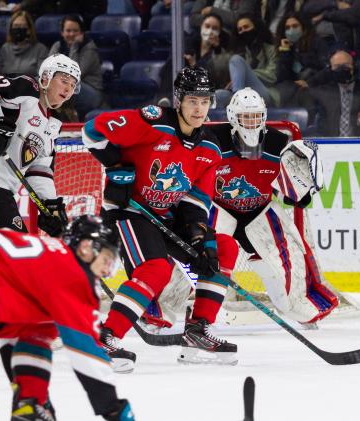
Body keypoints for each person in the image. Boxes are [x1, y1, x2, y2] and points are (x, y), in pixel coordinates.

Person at [82, 66, 240, 372]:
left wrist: (200, 239)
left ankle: (196, 331)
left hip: (167, 217)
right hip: (129, 210)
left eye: (205, 101)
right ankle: (105, 337)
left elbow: (196, 204)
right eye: (193, 100)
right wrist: (115, 164)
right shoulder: (152, 122)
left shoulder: (210, 148)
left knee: (222, 250)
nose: (199, 108)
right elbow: (93, 129)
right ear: (179, 100)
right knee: (157, 268)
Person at [208, 87, 338, 324]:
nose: (251, 122)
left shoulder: (279, 143)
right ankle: (176, 301)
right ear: (232, 117)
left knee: (288, 255)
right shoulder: (214, 139)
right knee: (199, 250)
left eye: (256, 116)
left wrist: (299, 191)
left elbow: (290, 195)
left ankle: (294, 304)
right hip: (219, 208)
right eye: (246, 117)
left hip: (259, 211)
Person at [0, 215, 135, 421]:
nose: (106, 270)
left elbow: (25, 336)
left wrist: (31, 400)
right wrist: (114, 409)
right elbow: (85, 348)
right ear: (86, 247)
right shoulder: (75, 275)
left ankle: (31, 403)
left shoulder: (45, 261)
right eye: (107, 259)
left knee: (35, 330)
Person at [0, 53, 81, 236]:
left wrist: (50, 205)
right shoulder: (27, 88)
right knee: (17, 249)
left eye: (73, 85)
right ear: (46, 77)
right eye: (64, 80)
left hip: (2, 190)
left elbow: (39, 168)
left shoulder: (54, 123)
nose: (69, 89)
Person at [309, 48, 360, 136]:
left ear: (354, 67)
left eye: (346, 65)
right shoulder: (324, 92)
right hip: (333, 145)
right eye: (337, 66)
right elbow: (321, 128)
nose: (341, 69)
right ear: (330, 70)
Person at [215, 13, 279, 107]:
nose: (243, 31)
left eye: (246, 27)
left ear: (256, 27)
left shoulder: (272, 49)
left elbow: (272, 76)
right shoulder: (244, 53)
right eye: (240, 29)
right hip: (246, 93)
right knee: (216, 95)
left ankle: (238, 99)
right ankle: (238, 101)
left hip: (266, 93)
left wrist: (245, 73)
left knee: (236, 59)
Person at [49, 14, 104, 119]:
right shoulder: (57, 46)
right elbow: (48, 69)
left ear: (82, 33)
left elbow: (75, 74)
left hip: (92, 93)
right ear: (62, 33)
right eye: (68, 31)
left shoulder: (89, 48)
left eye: (75, 31)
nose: (71, 34)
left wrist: (74, 47)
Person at [275, 12, 328, 111]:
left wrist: (309, 82)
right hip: (293, 86)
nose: (291, 30)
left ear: (303, 27)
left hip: (314, 84)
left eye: (295, 26)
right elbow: (281, 77)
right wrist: (285, 52)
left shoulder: (317, 42)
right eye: (287, 28)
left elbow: (327, 69)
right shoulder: (286, 48)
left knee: (302, 94)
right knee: (282, 90)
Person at [0, 11, 49, 76]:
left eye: (22, 26)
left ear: (29, 30)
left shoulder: (40, 49)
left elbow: (42, 77)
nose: (18, 29)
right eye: (16, 26)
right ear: (11, 29)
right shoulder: (5, 48)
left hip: (30, 85)